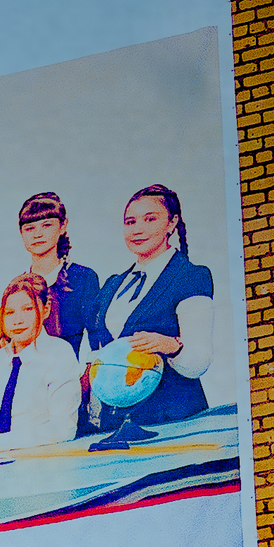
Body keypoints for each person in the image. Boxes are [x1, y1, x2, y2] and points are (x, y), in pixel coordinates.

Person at [84, 183, 217, 429]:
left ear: (171, 223)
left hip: (174, 422)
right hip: (116, 425)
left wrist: (170, 346)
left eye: (150, 219)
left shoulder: (190, 276)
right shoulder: (112, 285)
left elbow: (199, 360)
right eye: (130, 222)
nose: (138, 229)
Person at [0, 274, 82, 453]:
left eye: (27, 309)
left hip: (43, 465)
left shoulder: (59, 353)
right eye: (10, 312)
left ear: (46, 309)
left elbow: (63, 429)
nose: (17, 320)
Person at [15, 190, 102, 354]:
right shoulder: (18, 285)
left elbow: (96, 337)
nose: (37, 234)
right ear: (21, 233)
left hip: (70, 375)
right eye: (29, 228)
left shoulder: (83, 278)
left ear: (63, 226)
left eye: (47, 225)